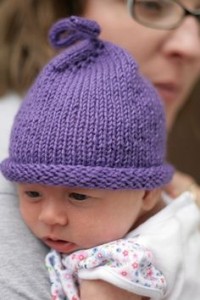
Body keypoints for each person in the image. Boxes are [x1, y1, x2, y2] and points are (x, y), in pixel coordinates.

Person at [1, 0, 200, 299]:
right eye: (151, 4)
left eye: (79, 195)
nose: (191, 46)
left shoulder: (118, 271)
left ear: (148, 193)